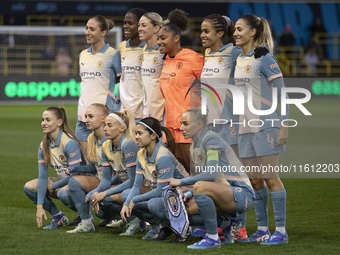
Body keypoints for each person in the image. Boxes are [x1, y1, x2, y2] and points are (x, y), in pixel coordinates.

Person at [233, 14, 289, 245]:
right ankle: (263, 229)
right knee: (255, 181)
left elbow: (282, 92)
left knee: (270, 178)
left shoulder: (265, 58)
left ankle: (281, 232)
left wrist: (284, 124)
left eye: (239, 29)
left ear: (252, 32)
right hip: (245, 129)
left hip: (266, 126)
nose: (234, 33)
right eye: (234, 29)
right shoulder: (239, 58)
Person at [169, 108, 254, 249]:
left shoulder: (211, 138)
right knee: (186, 211)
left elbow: (212, 174)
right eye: (181, 124)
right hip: (223, 193)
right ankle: (226, 224)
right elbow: (205, 177)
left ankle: (213, 237)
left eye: (185, 123)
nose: (181, 128)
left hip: (242, 194)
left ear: (199, 124)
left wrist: (180, 182)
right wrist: (189, 193)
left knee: (199, 187)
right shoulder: (194, 146)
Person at [200, 14, 249, 241]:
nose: (202, 35)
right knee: (216, 177)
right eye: (201, 30)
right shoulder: (208, 54)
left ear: (220, 33)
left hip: (229, 125)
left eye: (207, 31)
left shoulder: (234, 53)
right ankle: (224, 224)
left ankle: (240, 227)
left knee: (234, 177)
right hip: (210, 125)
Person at [120, 117, 189, 240]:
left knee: (152, 204)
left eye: (140, 133)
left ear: (152, 136)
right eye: (135, 133)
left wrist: (134, 200)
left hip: (184, 195)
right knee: (126, 196)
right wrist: (126, 204)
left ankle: (180, 225)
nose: (136, 137)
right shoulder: (141, 153)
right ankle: (155, 227)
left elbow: (161, 190)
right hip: (166, 196)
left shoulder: (163, 156)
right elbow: (136, 185)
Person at [23, 106, 86, 229]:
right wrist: (39, 205)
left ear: (59, 122)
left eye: (47, 120)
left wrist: (55, 185)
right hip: (64, 182)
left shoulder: (69, 143)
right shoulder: (44, 145)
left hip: (80, 183)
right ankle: (58, 217)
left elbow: (76, 174)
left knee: (62, 193)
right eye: (42, 120)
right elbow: (42, 177)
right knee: (29, 187)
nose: (43, 123)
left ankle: (86, 215)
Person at [158, 8, 204, 172]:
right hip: (169, 126)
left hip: (188, 125)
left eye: (163, 38)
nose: (159, 42)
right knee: (179, 171)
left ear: (176, 38)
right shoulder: (165, 61)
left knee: (195, 169)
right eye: (158, 38)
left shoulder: (194, 58)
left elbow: (209, 90)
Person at [86, 109, 141, 234]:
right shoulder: (106, 146)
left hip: (142, 186)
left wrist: (105, 193)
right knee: (99, 207)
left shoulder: (128, 145)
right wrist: (96, 192)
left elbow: (133, 181)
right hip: (129, 186)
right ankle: (128, 218)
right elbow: (106, 179)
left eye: (109, 125)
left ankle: (137, 221)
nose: (105, 128)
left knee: (123, 194)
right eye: (105, 125)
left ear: (122, 128)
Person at [76, 15, 121, 155]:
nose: (87, 32)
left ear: (103, 33)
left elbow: (122, 84)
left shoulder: (113, 54)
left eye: (92, 29)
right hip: (83, 117)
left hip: (102, 117)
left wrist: (112, 107)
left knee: (105, 160)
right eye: (86, 28)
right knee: (87, 160)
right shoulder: (83, 54)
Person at [64, 103, 109, 233]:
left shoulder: (111, 138)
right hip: (103, 181)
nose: (86, 120)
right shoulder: (91, 138)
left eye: (90, 116)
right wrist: (75, 169)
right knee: (64, 192)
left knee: (103, 209)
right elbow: (94, 167)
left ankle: (132, 220)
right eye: (85, 116)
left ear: (103, 118)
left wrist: (102, 191)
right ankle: (86, 222)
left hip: (114, 183)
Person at [118, 8, 147, 121]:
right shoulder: (122, 47)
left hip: (143, 111)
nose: (126, 26)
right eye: (125, 23)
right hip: (124, 112)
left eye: (130, 23)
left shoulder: (149, 48)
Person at [138, 12, 165, 122]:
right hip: (145, 113)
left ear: (156, 28)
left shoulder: (164, 51)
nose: (139, 28)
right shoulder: (143, 50)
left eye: (143, 25)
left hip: (162, 114)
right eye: (139, 25)